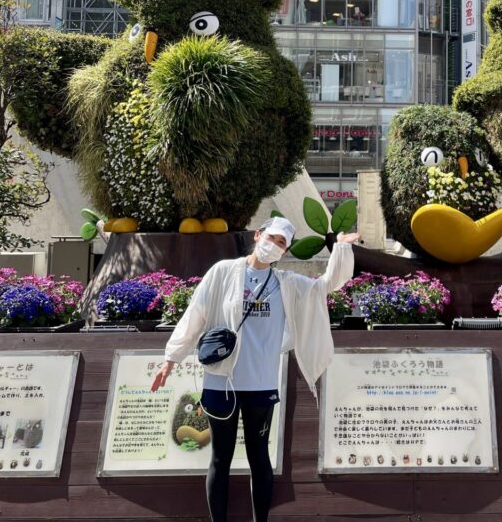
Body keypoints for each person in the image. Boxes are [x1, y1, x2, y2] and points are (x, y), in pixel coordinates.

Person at [151, 217, 357, 522]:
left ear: (285, 251)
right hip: (221, 382)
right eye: (271, 237)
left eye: (281, 243)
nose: (273, 246)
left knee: (259, 458)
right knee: (220, 458)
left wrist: (340, 249)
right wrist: (171, 358)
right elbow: (196, 313)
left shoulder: (286, 284)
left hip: (261, 384)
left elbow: (325, 286)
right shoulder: (223, 272)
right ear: (257, 234)